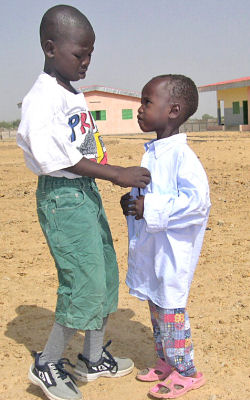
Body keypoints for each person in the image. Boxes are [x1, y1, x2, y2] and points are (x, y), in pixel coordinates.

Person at [17, 5, 151, 400]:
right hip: (63, 199)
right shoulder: (41, 99)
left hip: (83, 193)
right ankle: (47, 363)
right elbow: (57, 158)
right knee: (83, 282)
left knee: (104, 273)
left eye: (91, 53)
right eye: (80, 54)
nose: (87, 62)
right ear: (50, 47)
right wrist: (117, 174)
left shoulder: (68, 93)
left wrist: (108, 175)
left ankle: (92, 358)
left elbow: (84, 145)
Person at [120, 74, 211, 399]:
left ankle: (187, 372)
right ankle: (166, 361)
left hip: (174, 252)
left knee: (171, 310)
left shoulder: (182, 156)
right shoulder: (156, 152)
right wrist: (133, 203)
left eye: (147, 102)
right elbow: (152, 198)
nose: (140, 109)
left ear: (173, 111)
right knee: (157, 308)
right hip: (155, 249)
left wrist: (152, 206)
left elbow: (198, 202)